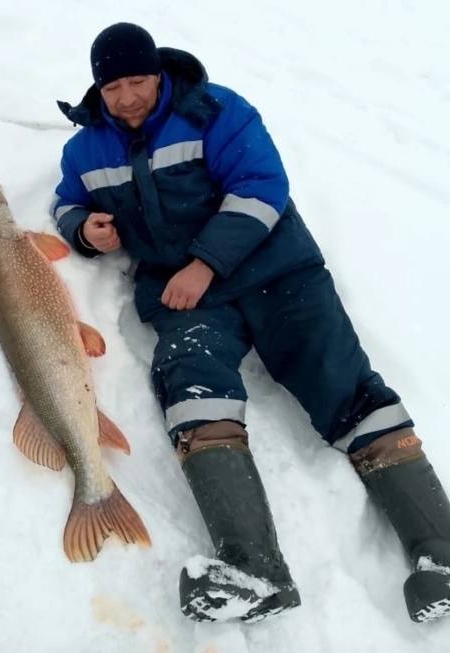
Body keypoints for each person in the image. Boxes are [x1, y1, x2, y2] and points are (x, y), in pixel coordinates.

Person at [50, 22, 450, 624]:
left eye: (138, 81)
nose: (127, 97)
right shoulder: (85, 150)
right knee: (191, 389)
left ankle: (440, 553)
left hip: (276, 269)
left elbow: (262, 187)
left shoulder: (217, 112)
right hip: (186, 297)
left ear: (158, 74)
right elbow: (66, 200)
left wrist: (205, 264)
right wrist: (84, 228)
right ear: (97, 89)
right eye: (113, 88)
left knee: (345, 388)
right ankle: (253, 569)